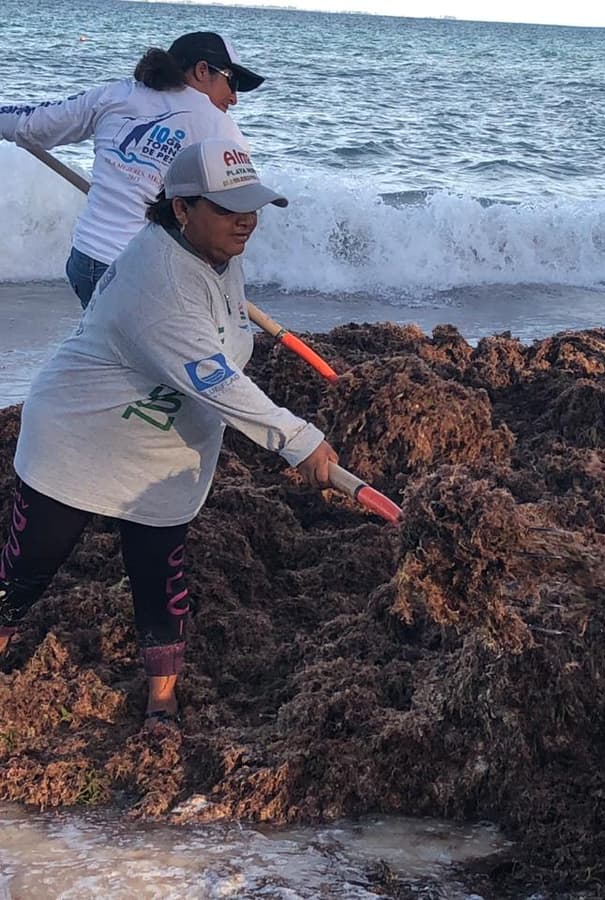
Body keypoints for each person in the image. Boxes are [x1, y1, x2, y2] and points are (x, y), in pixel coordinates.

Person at [0, 139, 341, 728]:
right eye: (229, 208)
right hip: (78, 443)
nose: (247, 222)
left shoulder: (220, 256)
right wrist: (299, 440)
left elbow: (221, 350)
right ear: (181, 209)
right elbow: (213, 379)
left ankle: (162, 703)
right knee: (27, 569)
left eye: (252, 207)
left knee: (160, 570)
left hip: (159, 452)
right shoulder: (156, 283)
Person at [0, 32, 265, 308]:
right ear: (201, 70)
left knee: (112, 341)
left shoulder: (115, 94)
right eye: (231, 82)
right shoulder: (222, 131)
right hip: (144, 273)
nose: (233, 98)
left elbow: (31, 124)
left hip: (85, 261)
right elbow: (235, 216)